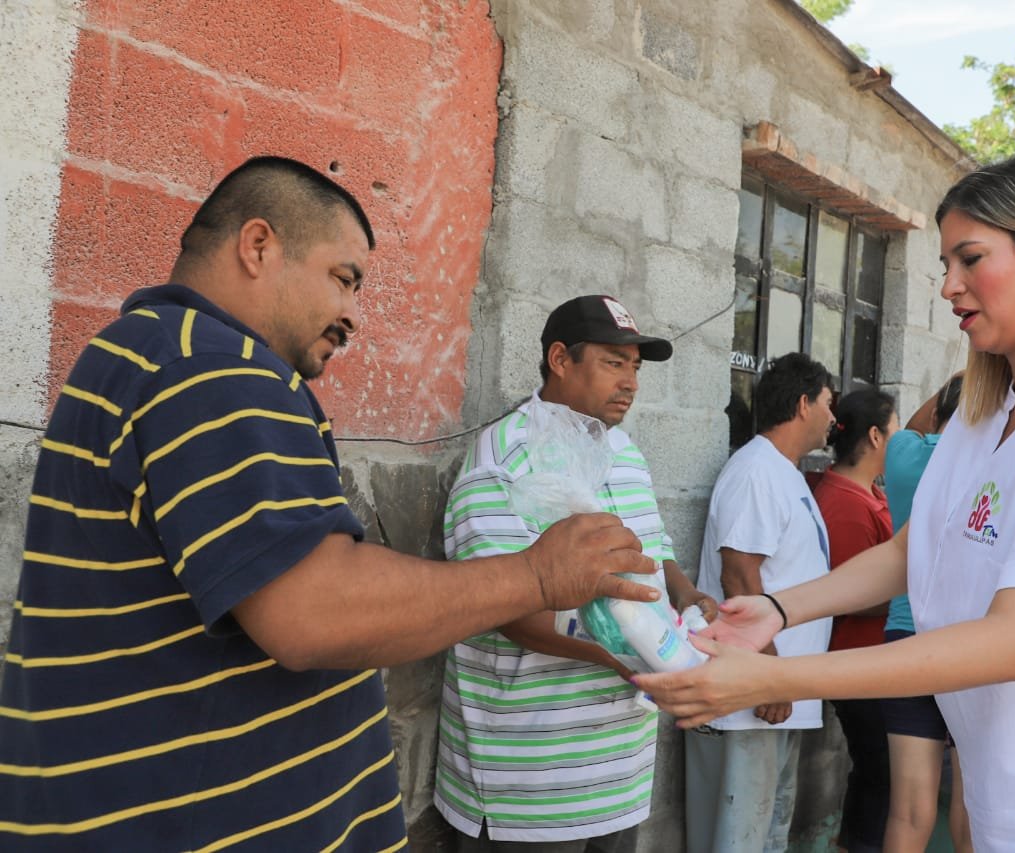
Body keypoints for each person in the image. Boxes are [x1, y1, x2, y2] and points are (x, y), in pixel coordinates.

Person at [0, 158, 657, 851]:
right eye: (343, 278)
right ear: (259, 247)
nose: (352, 315)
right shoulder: (207, 364)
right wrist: (537, 576)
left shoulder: (174, 357)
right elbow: (309, 609)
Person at [636, 150, 1015, 851]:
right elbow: (916, 548)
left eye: (970, 259)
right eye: (944, 265)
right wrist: (781, 609)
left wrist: (773, 675)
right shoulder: (985, 408)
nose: (948, 287)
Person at [433, 294, 716, 852]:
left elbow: (654, 553)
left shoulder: (626, 454)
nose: (631, 382)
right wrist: (634, 659)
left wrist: (687, 597)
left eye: (635, 367)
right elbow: (504, 609)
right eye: (614, 362)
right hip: (529, 787)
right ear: (560, 359)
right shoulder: (505, 456)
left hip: (620, 777)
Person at [685, 352, 835, 853]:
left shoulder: (783, 472)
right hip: (754, 691)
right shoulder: (756, 471)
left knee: (767, 830)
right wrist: (768, 670)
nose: (834, 418)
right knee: (740, 835)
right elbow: (738, 574)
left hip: (777, 690)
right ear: (802, 404)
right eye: (827, 405)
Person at [879, 374, 971, 853]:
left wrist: (968, 374)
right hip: (971, 646)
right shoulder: (994, 460)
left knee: (909, 809)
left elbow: (916, 423)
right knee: (970, 804)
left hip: (905, 639)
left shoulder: (904, 455)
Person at [810, 386, 898, 853]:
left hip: (876, 662)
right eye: (896, 430)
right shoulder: (844, 502)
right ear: (876, 437)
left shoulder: (868, 492)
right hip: (856, 661)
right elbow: (847, 593)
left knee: (882, 774)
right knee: (879, 773)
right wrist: (910, 598)